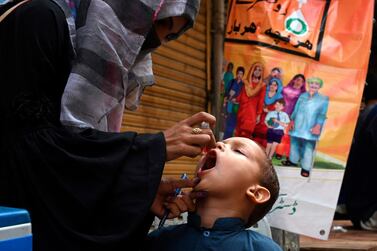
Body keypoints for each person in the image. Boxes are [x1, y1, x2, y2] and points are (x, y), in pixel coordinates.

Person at [0, 0, 217, 250]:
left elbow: (69, 168)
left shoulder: (86, 53)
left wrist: (138, 191)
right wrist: (154, 148)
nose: (147, 41)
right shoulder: (38, 19)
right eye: (156, 23)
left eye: (168, 37)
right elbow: (26, 154)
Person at [144, 137, 281, 251]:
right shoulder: (160, 239)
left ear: (256, 193)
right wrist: (145, 199)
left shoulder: (263, 248)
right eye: (221, 143)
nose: (218, 144)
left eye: (239, 151)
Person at [287, 77, 329, 177]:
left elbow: (322, 114)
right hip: (298, 124)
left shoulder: (323, 99)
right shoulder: (302, 96)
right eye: (312, 83)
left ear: (319, 86)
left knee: (308, 147)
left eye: (316, 84)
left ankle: (305, 168)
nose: (313, 85)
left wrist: (318, 126)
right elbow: (296, 109)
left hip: (311, 127)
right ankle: (293, 161)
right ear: (308, 84)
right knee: (294, 143)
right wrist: (292, 120)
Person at [276, 74, 306, 162]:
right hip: (281, 114)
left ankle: (289, 155)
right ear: (293, 80)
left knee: (289, 136)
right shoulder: (284, 89)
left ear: (303, 83)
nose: (298, 82)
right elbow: (278, 99)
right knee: (280, 134)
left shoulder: (303, 94)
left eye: (301, 80)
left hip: (293, 117)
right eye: (297, 79)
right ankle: (279, 152)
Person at [235, 62, 266, 138]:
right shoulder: (246, 82)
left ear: (262, 72)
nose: (257, 71)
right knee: (238, 131)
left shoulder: (262, 85)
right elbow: (241, 94)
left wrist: (258, 114)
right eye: (255, 69)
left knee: (246, 133)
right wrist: (236, 99)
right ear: (252, 70)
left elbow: (261, 100)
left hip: (252, 111)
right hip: (242, 109)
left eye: (259, 70)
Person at [253, 77, 283, 147]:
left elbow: (279, 109)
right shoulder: (264, 93)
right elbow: (258, 103)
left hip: (270, 119)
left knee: (266, 137)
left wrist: (269, 111)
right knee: (256, 135)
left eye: (275, 85)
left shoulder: (279, 97)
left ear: (278, 87)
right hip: (260, 117)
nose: (272, 86)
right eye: (271, 84)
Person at [223, 66, 244, 139]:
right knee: (226, 125)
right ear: (236, 73)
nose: (239, 75)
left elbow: (243, 97)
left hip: (236, 108)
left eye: (241, 74)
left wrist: (236, 100)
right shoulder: (232, 82)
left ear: (243, 75)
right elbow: (226, 92)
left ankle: (229, 141)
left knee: (232, 126)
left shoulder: (243, 85)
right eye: (238, 73)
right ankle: (224, 140)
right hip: (229, 106)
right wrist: (226, 99)